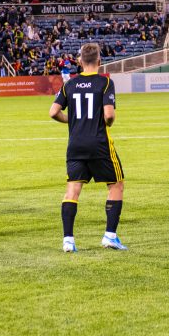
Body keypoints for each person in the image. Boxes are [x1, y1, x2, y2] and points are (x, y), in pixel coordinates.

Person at [49, 42, 126, 252]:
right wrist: (107, 123)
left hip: (75, 145)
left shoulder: (69, 85)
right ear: (100, 61)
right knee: (116, 184)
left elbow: (53, 111)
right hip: (99, 143)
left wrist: (71, 120)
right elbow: (109, 115)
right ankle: (110, 236)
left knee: (72, 189)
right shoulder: (105, 83)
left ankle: (68, 240)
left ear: (80, 61)